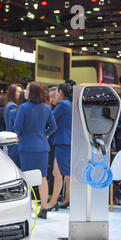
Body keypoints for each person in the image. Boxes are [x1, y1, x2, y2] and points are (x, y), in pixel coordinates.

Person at [13, 82, 57, 219]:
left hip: (27, 147)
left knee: (26, 178)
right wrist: (45, 135)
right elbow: (54, 127)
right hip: (43, 147)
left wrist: (21, 137)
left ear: (31, 93)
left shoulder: (23, 108)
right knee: (42, 177)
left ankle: (26, 208)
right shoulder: (47, 108)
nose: (25, 92)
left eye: (27, 90)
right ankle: (44, 207)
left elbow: (17, 127)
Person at [45, 83, 73, 211]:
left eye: (56, 93)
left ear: (61, 92)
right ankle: (63, 199)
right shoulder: (70, 104)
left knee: (58, 173)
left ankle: (53, 201)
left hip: (62, 141)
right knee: (63, 173)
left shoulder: (63, 105)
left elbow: (50, 118)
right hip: (67, 141)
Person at [4, 84, 23, 166]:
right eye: (18, 92)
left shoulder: (9, 104)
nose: (21, 94)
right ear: (12, 93)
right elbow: (16, 125)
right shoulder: (12, 106)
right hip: (14, 141)